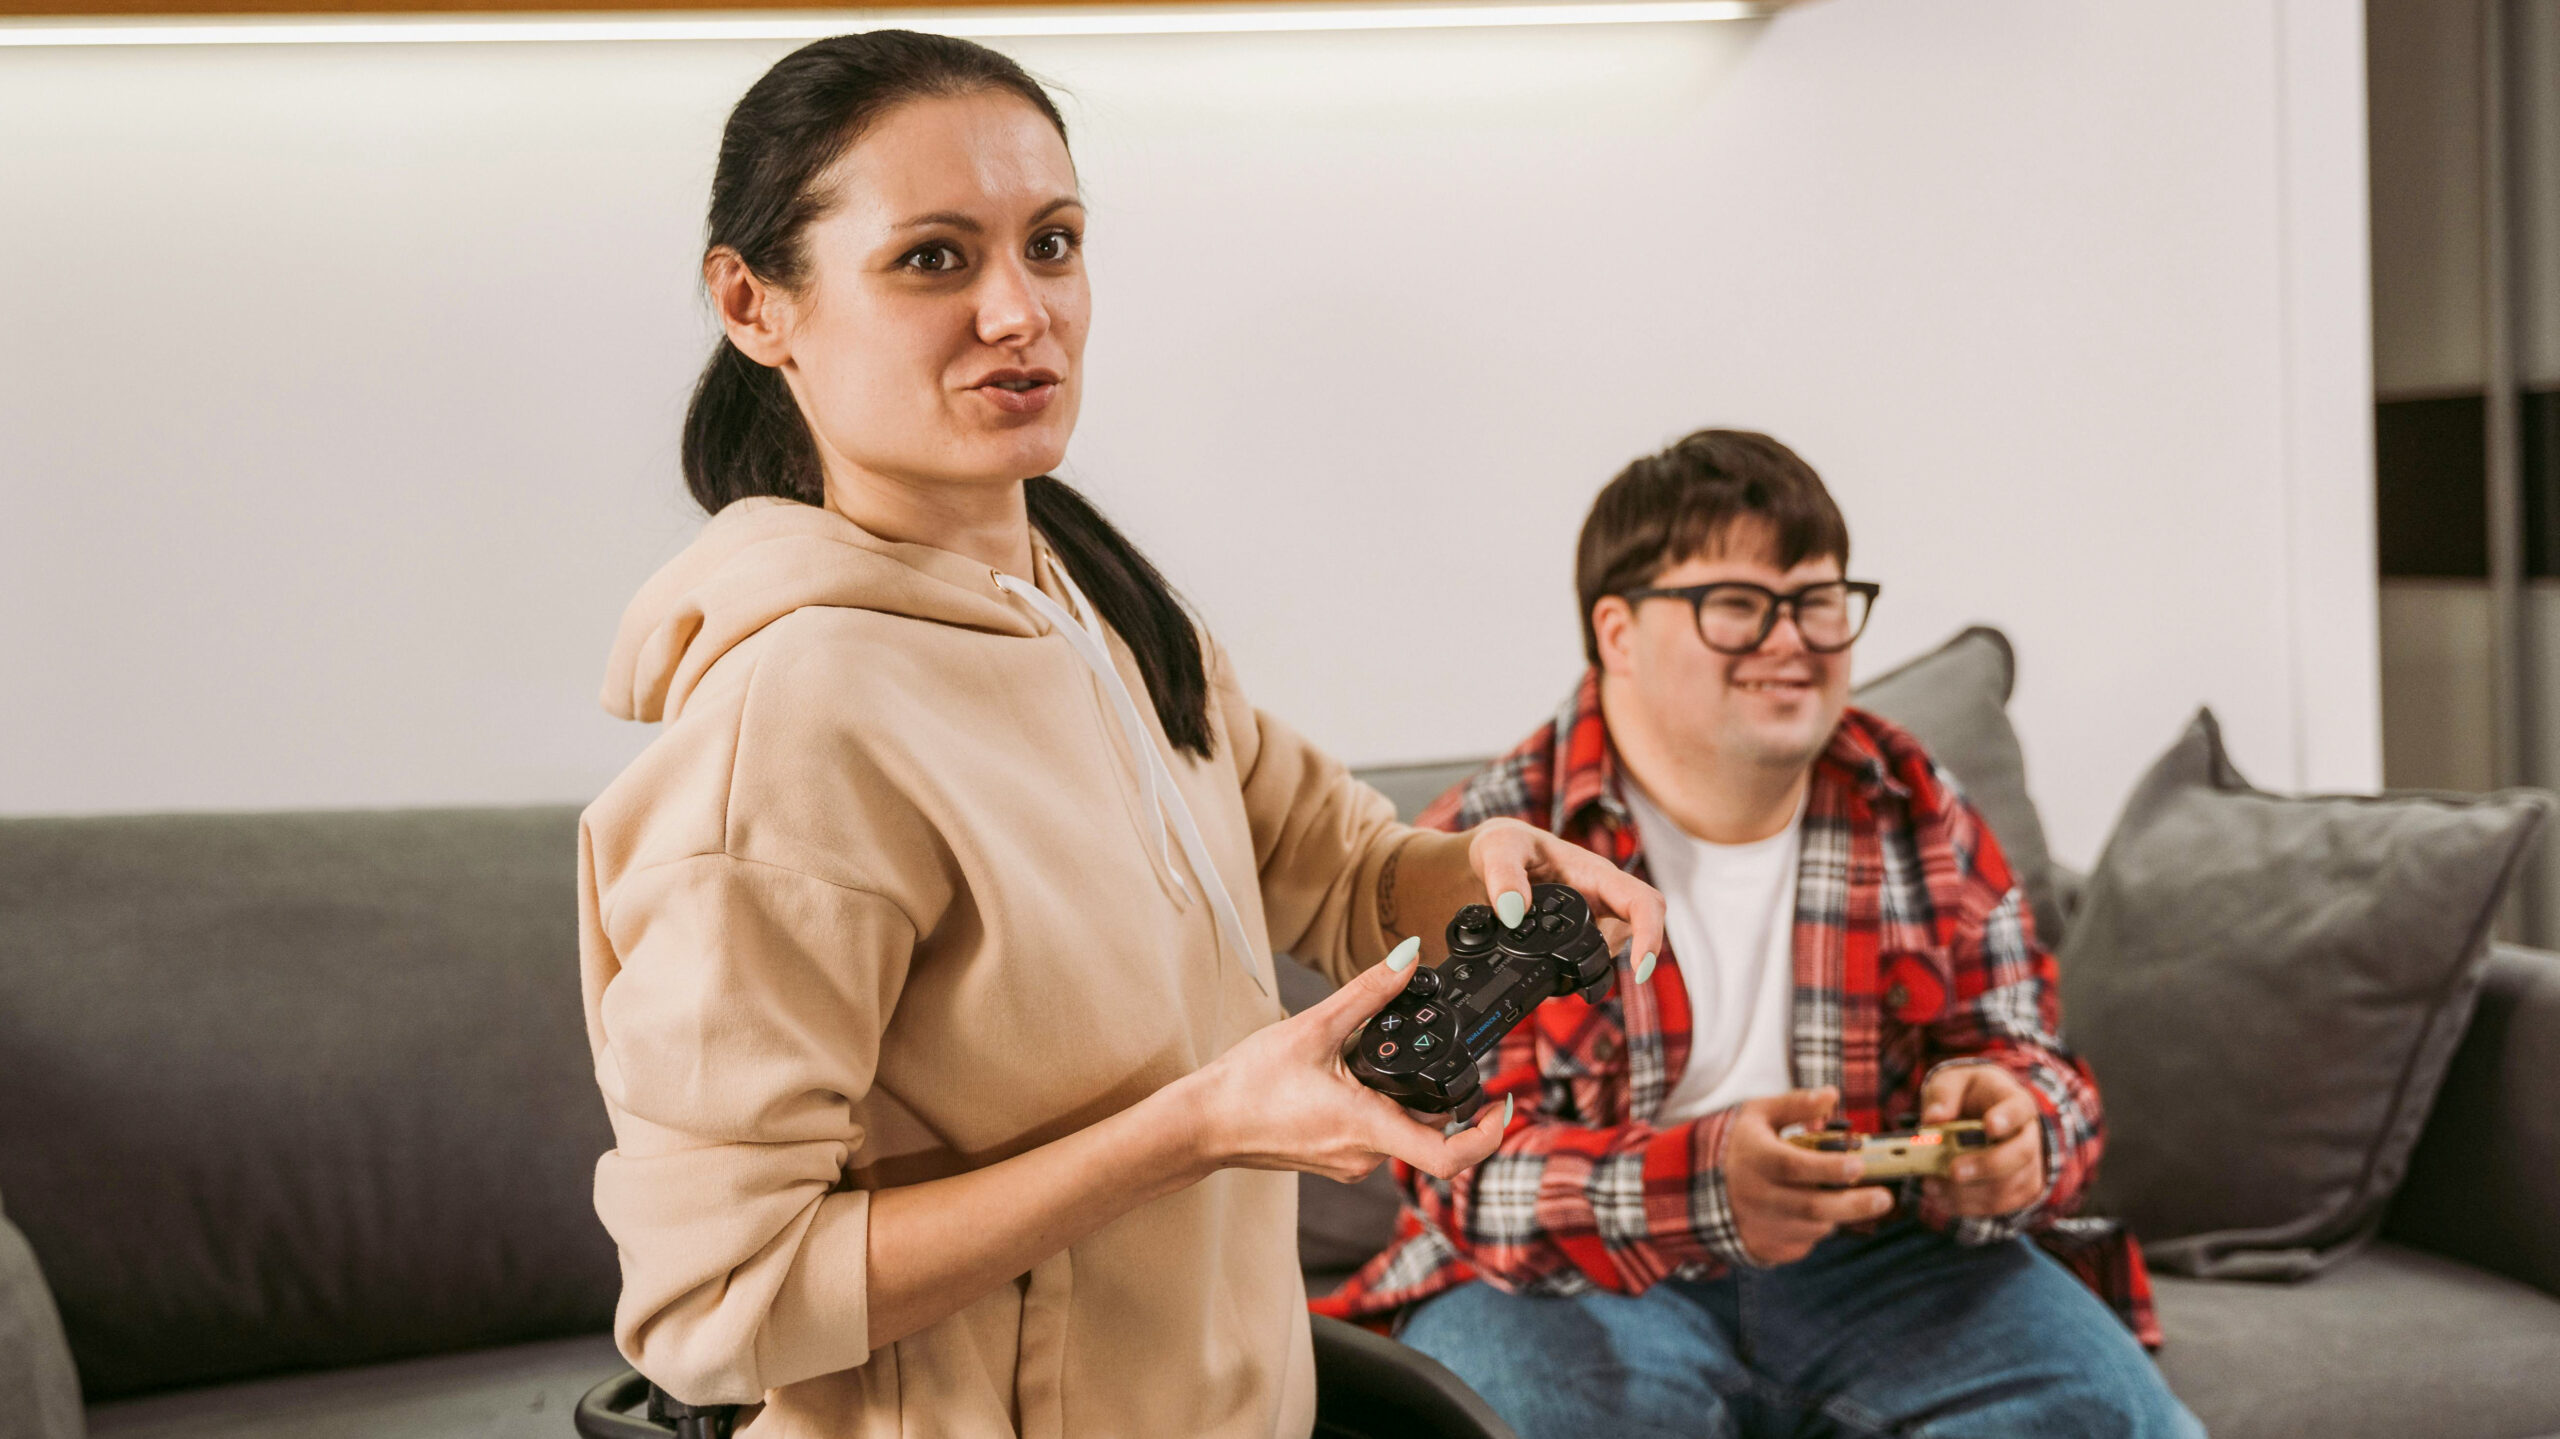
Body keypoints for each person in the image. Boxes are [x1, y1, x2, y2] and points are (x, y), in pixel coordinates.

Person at [574, 31, 1665, 1439]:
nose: (1021, 312)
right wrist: (1196, 1127)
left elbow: (1326, 864)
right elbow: (719, 1302)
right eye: (933, 259)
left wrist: (1469, 873)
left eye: (1054, 243)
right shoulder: (791, 729)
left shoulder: (1097, 600)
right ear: (753, 301)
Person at [1315, 430, 2201, 1437]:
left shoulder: (1910, 799)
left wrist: (2020, 1129)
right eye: (1737, 604)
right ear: (1617, 631)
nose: (1795, 640)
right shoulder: (1482, 844)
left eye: (1819, 600)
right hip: (1571, 1280)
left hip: (1886, 1250)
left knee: (2113, 1418)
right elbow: (1454, 1174)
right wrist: (1704, 1184)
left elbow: (2027, 1052)